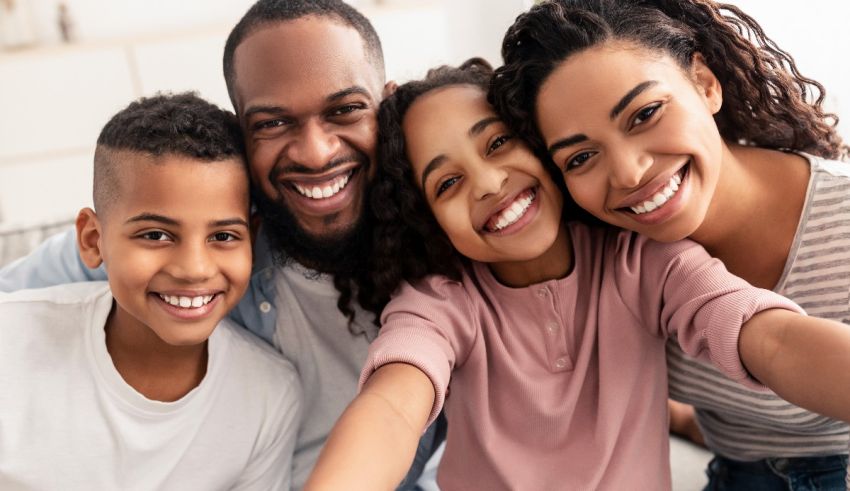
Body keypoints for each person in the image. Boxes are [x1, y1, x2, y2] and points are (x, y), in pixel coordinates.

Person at [302, 60, 850, 491]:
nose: (490, 183)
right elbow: (395, 404)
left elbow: (769, 338)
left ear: (545, 148)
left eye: (497, 143)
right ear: (428, 222)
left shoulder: (641, 260)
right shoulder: (440, 302)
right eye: (447, 183)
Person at [0, 1, 441, 488]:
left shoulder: (448, 248)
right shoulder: (201, 224)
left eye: (346, 110)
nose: (317, 153)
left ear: (388, 105)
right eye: (273, 123)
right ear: (241, 133)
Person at [489, 0, 850, 489]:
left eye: (645, 114)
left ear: (705, 83)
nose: (629, 172)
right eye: (581, 157)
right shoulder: (618, 255)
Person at [0, 92, 301, 490]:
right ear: (93, 240)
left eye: (223, 235)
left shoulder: (269, 396)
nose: (194, 269)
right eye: (156, 234)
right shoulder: (11, 340)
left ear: (253, 238)